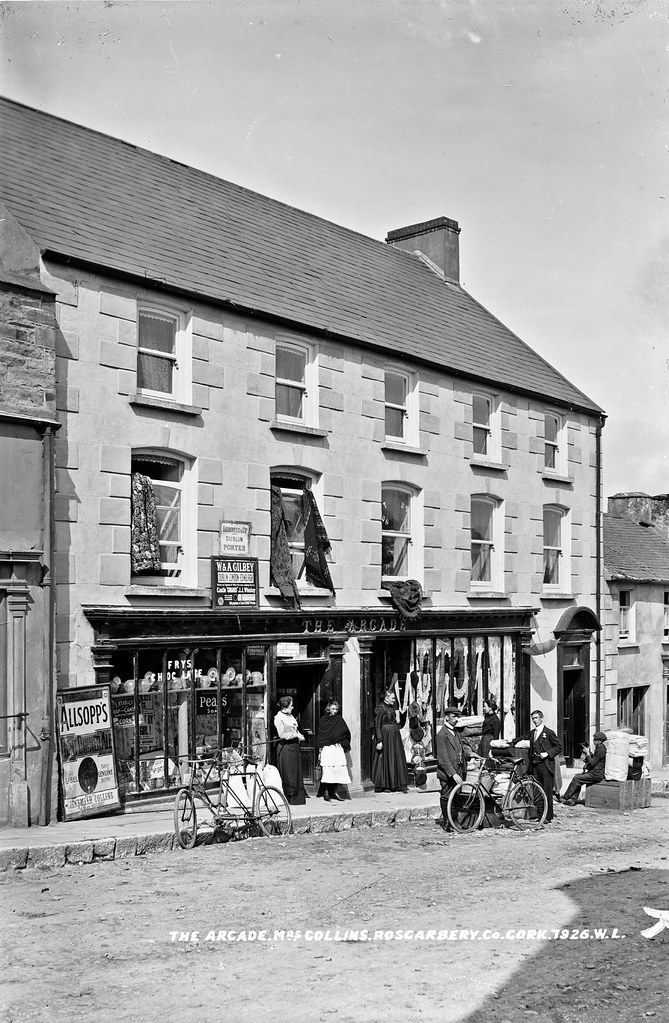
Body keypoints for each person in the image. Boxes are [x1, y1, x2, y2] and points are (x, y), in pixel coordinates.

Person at [436, 706, 471, 831]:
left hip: (458, 769)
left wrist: (470, 755)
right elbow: (443, 758)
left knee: (456, 796)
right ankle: (447, 822)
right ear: (446, 717)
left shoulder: (455, 732)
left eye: (457, 717)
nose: (456, 719)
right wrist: (453, 773)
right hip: (447, 773)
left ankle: (454, 820)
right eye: (454, 716)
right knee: (446, 796)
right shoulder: (441, 735)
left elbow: (460, 749)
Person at [523, 710, 562, 823]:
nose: (534, 720)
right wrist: (511, 741)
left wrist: (547, 753)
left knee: (547, 791)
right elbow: (523, 738)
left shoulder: (549, 733)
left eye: (536, 718)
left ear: (541, 718)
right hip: (535, 765)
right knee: (537, 790)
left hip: (546, 765)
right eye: (533, 718)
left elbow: (558, 747)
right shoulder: (533, 733)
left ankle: (548, 816)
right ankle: (540, 815)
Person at [371, 689, 409, 793]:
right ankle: (384, 784)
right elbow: (377, 725)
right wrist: (379, 740)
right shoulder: (380, 708)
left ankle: (394, 783)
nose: (394, 700)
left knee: (394, 757)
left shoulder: (391, 707)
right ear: (386, 698)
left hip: (393, 736)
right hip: (385, 736)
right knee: (385, 758)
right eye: (392, 698)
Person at [315, 699, 351, 802]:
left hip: (337, 748)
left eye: (336, 709)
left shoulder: (339, 719)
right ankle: (326, 793)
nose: (334, 711)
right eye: (333, 709)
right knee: (328, 770)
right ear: (328, 709)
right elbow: (321, 736)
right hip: (327, 748)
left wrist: (343, 741)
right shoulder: (323, 720)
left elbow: (345, 732)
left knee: (337, 771)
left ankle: (333, 792)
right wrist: (320, 751)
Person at [274, 696, 306, 805]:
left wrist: (299, 734)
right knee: (289, 773)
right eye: (291, 705)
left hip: (294, 747)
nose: (293, 707)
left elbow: (294, 729)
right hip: (286, 748)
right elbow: (282, 734)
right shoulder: (279, 718)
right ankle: (289, 797)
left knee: (295, 772)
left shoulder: (290, 716)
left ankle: (297, 798)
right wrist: (296, 735)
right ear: (285, 706)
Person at [562, 732, 607, 806]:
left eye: (595, 739)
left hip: (596, 774)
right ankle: (572, 799)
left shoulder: (601, 750)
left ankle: (566, 797)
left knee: (577, 778)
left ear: (600, 741)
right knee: (578, 779)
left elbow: (592, 763)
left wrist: (588, 754)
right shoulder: (599, 748)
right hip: (594, 773)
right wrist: (587, 755)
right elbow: (595, 759)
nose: (593, 741)